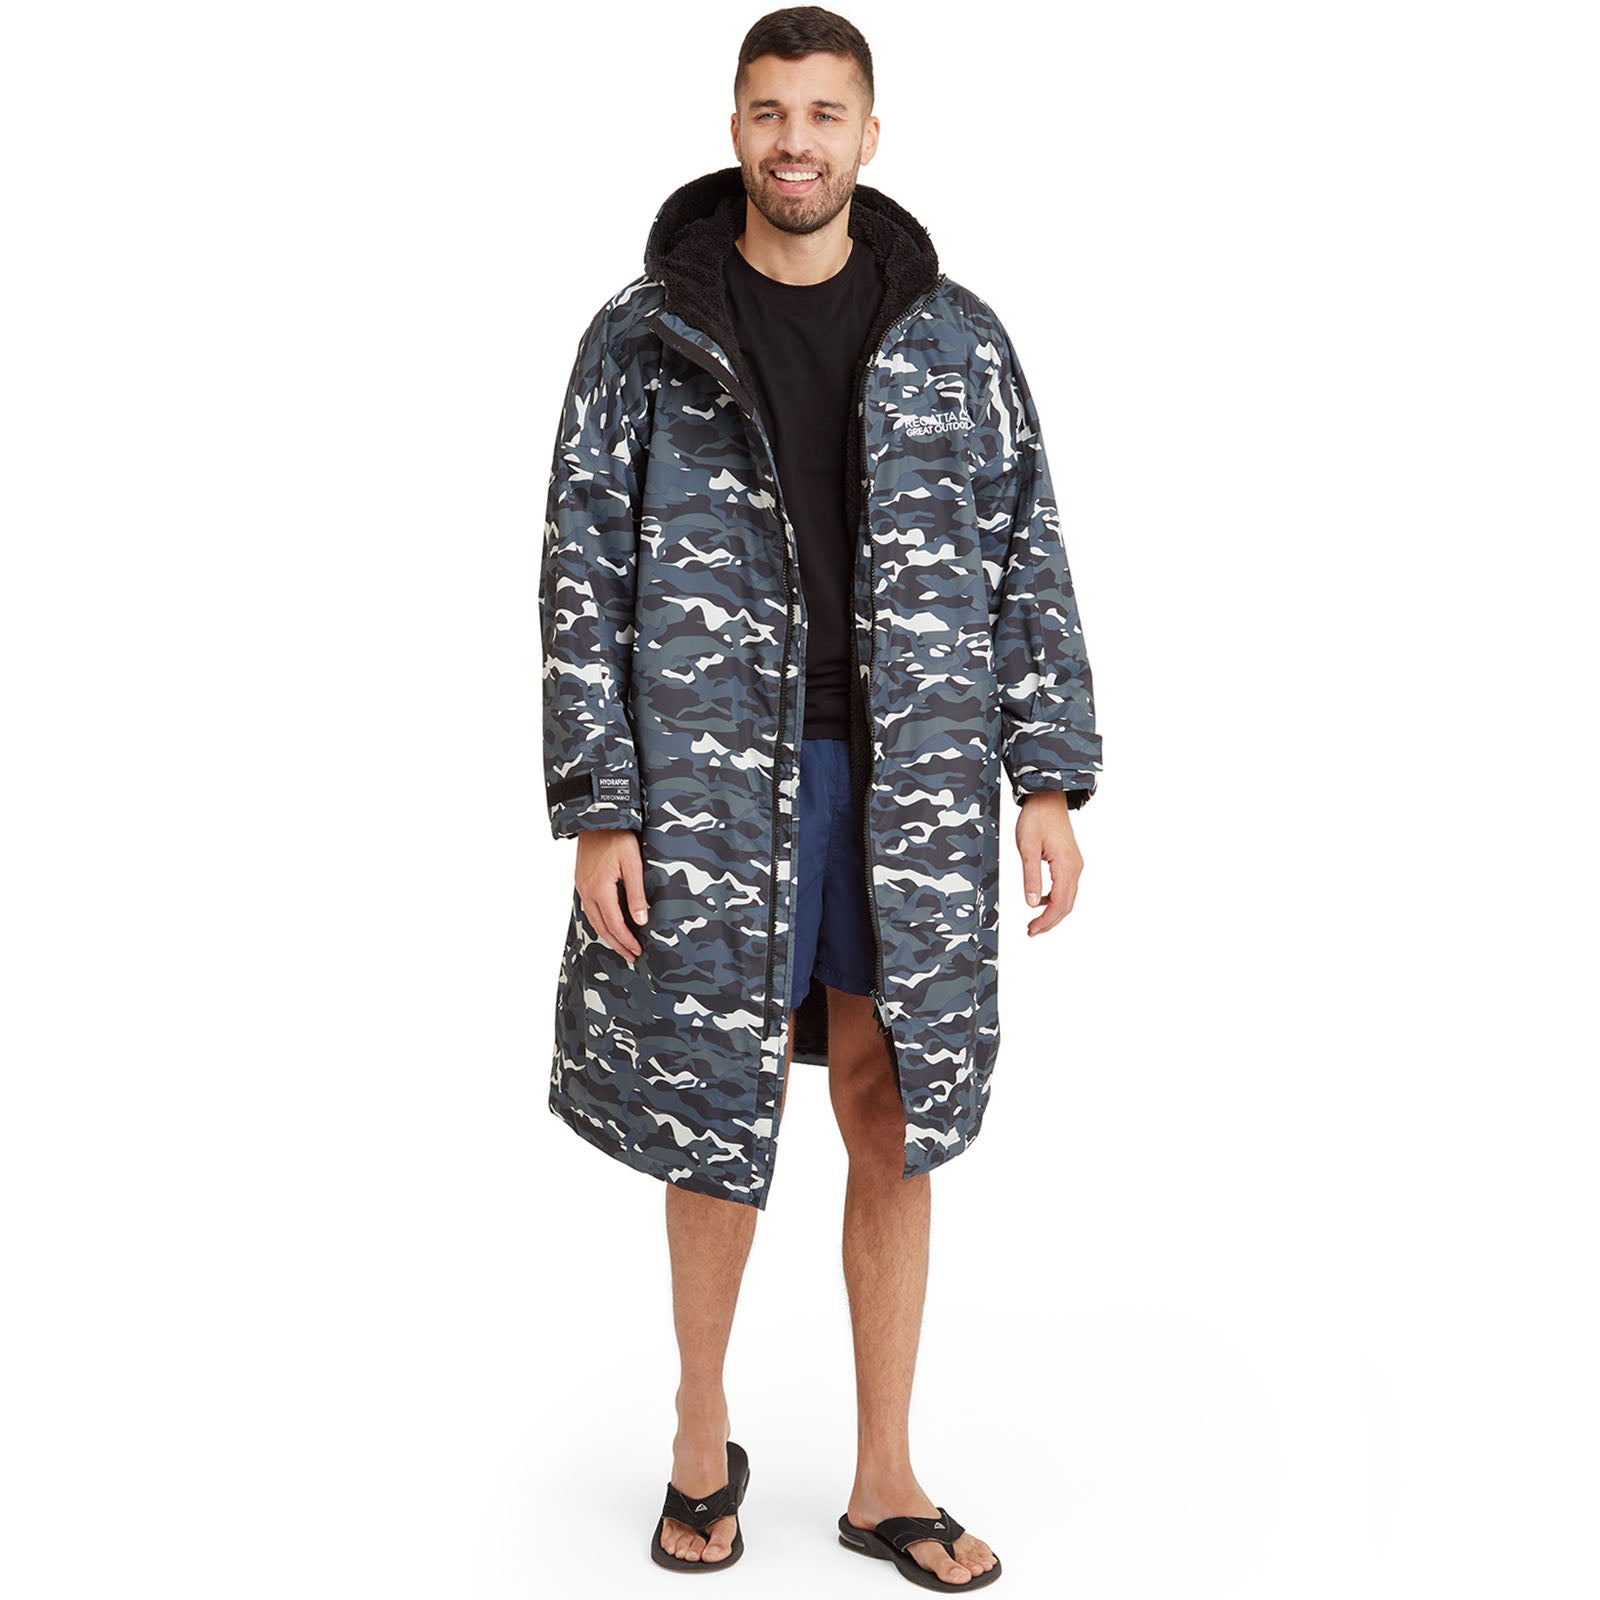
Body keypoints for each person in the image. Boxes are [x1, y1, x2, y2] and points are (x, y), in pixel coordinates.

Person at [538, 7, 1101, 1586]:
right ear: (736, 128)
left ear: (869, 134)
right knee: (709, 1104)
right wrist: (599, 803)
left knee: (889, 1102)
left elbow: (1026, 551)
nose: (797, 141)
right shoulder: (644, 337)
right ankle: (699, 1440)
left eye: (825, 113)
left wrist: (1048, 778)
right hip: (710, 782)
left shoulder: (957, 340)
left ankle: (884, 1476)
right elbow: (580, 571)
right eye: (771, 111)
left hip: (909, 777)